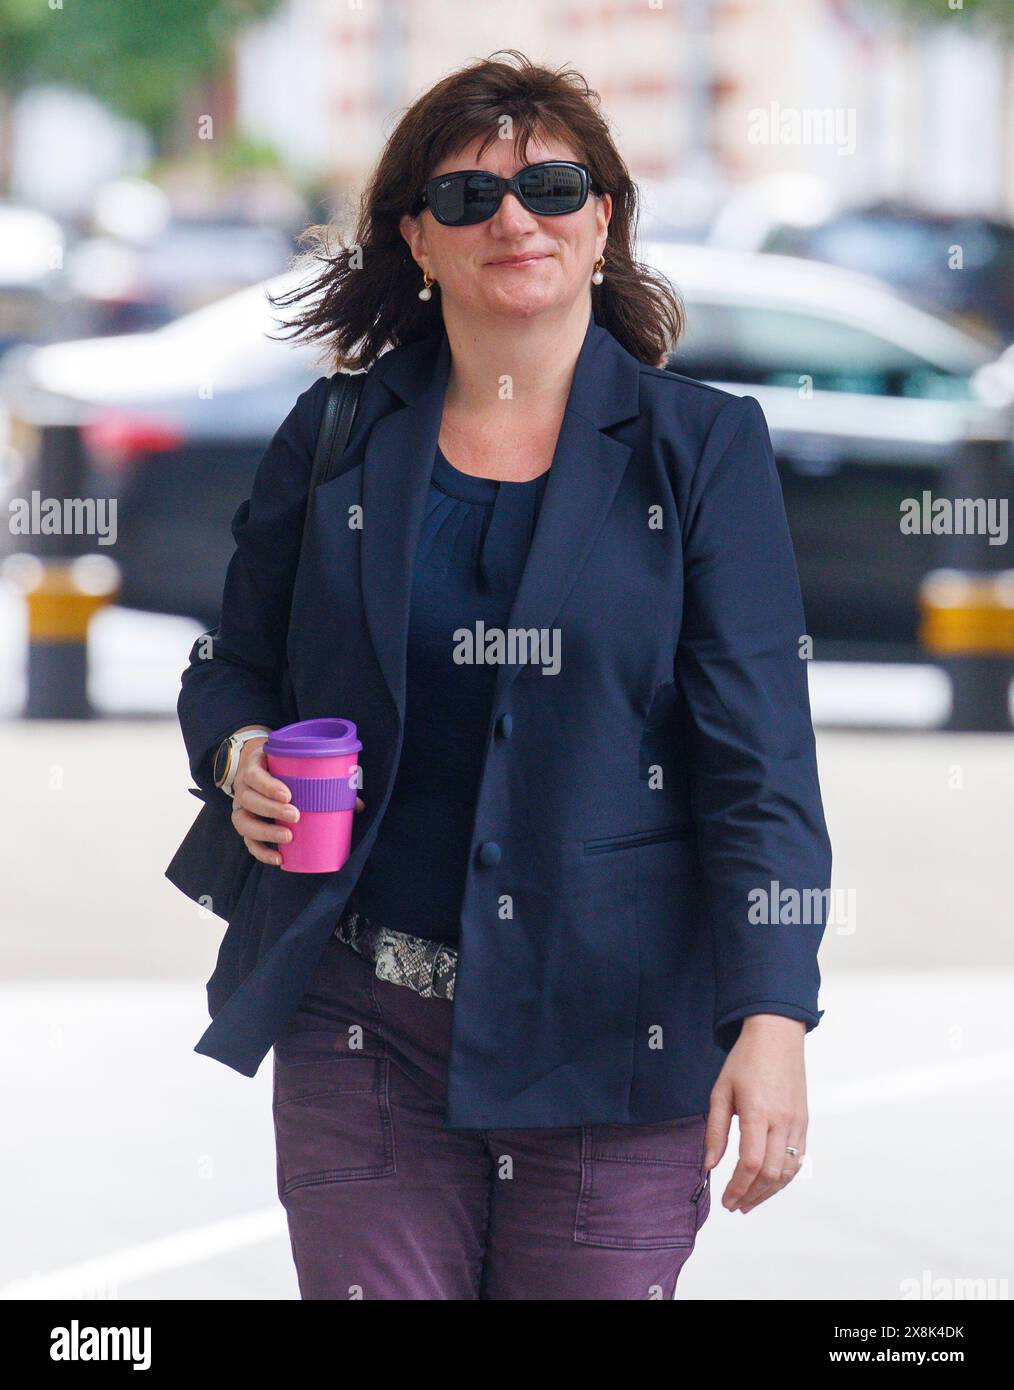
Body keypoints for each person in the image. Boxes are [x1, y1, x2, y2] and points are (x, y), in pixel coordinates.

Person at [176, 49, 832, 1300]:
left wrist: (775, 1014)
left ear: (605, 222)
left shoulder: (701, 450)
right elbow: (234, 665)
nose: (515, 218)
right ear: (419, 241)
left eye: (552, 185)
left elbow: (761, 762)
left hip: (612, 1029)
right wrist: (240, 752)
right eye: (470, 198)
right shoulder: (334, 435)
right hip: (361, 1016)